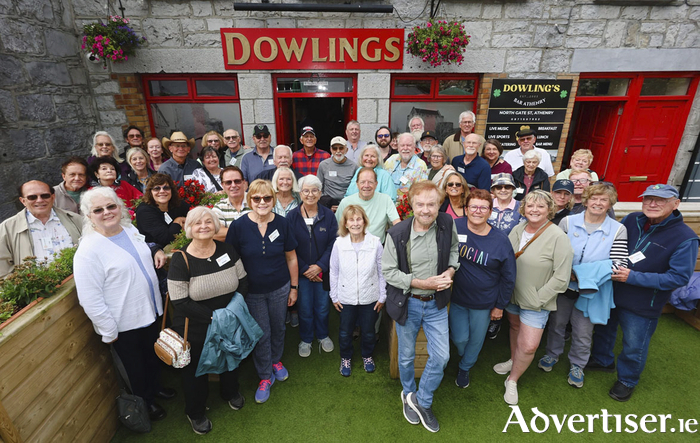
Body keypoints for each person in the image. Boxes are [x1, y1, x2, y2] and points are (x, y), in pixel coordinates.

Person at [589, 184, 699, 402]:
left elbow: (678, 278)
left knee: (634, 343)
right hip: (613, 290)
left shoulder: (685, 237)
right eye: (648, 198)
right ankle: (603, 360)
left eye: (660, 200)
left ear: (675, 204)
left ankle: (627, 380)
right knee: (605, 329)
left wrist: (633, 277)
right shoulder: (632, 219)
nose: (653, 203)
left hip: (643, 302)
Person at [73, 187, 170, 423]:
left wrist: (155, 248)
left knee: (151, 356)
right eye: (98, 209)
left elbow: (142, 248)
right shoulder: (88, 250)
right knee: (134, 368)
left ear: (119, 207)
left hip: (149, 310)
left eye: (111, 206)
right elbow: (89, 297)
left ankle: (155, 388)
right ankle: (145, 402)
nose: (107, 212)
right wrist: (108, 330)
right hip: (123, 323)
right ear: (88, 215)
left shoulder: (129, 229)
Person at [382, 180, 460, 433]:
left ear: (439, 205)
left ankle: (421, 400)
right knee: (406, 357)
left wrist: (449, 271)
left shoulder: (447, 224)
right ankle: (407, 392)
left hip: (436, 305)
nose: (426, 209)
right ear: (411, 205)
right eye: (420, 204)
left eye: (432, 204)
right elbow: (389, 272)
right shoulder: (396, 234)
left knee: (442, 356)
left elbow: (454, 253)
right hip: (409, 304)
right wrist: (420, 283)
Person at [538, 183, 628, 389]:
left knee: (583, 331)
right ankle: (552, 354)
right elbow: (553, 251)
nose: (598, 203)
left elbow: (620, 263)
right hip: (563, 286)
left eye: (603, 200)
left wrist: (581, 275)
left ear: (610, 204)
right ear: (586, 201)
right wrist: (565, 273)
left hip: (593, 290)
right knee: (557, 324)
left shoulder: (618, 229)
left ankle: (577, 364)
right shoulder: (568, 222)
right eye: (594, 198)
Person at [167, 207, 248, 435]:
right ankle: (195, 412)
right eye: (197, 223)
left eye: (208, 222)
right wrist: (214, 317)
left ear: (215, 225)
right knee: (196, 370)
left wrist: (232, 310)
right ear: (189, 228)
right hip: (195, 325)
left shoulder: (227, 250)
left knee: (230, 356)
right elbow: (180, 301)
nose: (203, 226)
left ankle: (230, 392)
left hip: (229, 318)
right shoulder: (180, 259)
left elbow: (243, 280)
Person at [494, 190, 573, 405]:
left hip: (536, 301)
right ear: (523, 209)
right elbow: (505, 258)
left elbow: (562, 278)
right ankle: (513, 360)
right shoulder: (518, 229)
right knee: (515, 328)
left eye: (540, 206)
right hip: (512, 295)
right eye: (530, 205)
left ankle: (513, 380)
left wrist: (538, 299)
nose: (534, 210)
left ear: (550, 209)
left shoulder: (558, 237)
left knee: (529, 345)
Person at [226, 179, 299, 404]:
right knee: (261, 332)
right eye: (257, 198)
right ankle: (265, 375)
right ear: (250, 200)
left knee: (278, 327)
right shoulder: (238, 227)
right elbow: (232, 260)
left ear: (273, 199)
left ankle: (276, 360)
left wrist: (294, 287)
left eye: (267, 198)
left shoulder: (283, 223)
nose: (262, 202)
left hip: (280, 287)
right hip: (252, 292)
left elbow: (292, 257)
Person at [450, 189, 516, 388]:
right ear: (466, 209)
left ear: (490, 211)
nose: (478, 211)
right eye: (473, 207)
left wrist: (500, 306)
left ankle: (465, 367)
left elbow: (509, 276)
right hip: (457, 298)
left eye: (483, 207)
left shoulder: (501, 240)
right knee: (460, 338)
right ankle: (465, 355)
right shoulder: (455, 226)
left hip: (484, 302)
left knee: (476, 340)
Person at [331, 205, 386, 376]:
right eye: (351, 220)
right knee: (345, 331)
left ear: (364, 221)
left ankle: (367, 355)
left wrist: (382, 296)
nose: (355, 223)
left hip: (370, 297)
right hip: (346, 297)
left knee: (369, 331)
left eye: (358, 219)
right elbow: (333, 271)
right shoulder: (339, 243)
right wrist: (334, 296)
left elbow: (382, 270)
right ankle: (346, 357)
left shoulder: (375, 243)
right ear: (345, 224)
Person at [288, 176, 338, 357]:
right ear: (300, 193)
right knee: (305, 308)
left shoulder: (328, 215)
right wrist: (305, 269)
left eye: (314, 190)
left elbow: (334, 242)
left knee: (323, 307)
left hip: (322, 272)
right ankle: (306, 338)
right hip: (301, 273)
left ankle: (323, 335)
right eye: (306, 191)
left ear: (320, 193)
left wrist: (320, 266)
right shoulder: (291, 217)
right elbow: (289, 247)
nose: (310, 194)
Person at [0, 180, 82, 278]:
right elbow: (3, 268)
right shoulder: (7, 228)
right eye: (32, 197)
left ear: (53, 197)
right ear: (23, 201)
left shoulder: (76, 219)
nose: (39, 200)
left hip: (77, 284)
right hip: (37, 291)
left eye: (45, 196)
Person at [336, 168, 400, 243]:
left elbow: (396, 223)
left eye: (370, 182)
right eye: (362, 182)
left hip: (377, 247)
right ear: (357, 184)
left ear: (376, 184)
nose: (366, 185)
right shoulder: (346, 202)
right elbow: (336, 226)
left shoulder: (386, 199)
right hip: (351, 246)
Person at [135, 173, 189, 248]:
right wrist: (178, 221)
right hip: (156, 252)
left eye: (166, 188)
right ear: (150, 192)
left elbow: (195, 218)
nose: (162, 191)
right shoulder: (144, 211)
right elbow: (166, 238)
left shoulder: (178, 204)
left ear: (171, 190)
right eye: (157, 188)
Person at [317, 136, 356, 210]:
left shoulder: (354, 167)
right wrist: (326, 204)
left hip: (348, 205)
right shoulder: (323, 165)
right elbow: (318, 188)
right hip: (327, 205)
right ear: (331, 150)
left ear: (346, 150)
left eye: (341, 148)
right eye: (335, 148)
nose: (338, 151)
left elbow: (355, 190)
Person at [384, 133, 429, 197]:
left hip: (408, 205)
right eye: (402, 145)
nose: (405, 148)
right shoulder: (391, 160)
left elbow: (421, 192)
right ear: (398, 147)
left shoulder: (421, 166)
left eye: (409, 145)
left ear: (414, 147)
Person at [212, 166, 250, 240]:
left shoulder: (256, 201)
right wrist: (249, 231)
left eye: (237, 181)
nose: (233, 185)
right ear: (222, 185)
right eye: (228, 182)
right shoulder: (219, 207)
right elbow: (216, 234)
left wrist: (228, 231)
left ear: (243, 182)